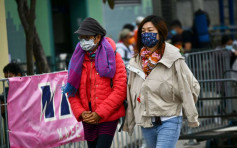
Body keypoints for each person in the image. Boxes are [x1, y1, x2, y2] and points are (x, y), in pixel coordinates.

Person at [122, 15, 200, 148]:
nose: (146, 34)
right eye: (143, 31)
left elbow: (191, 86)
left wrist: (188, 112)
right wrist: (131, 119)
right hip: (147, 121)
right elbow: (132, 92)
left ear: (160, 33)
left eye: (150, 30)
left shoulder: (173, 57)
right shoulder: (136, 61)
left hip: (169, 119)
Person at [65, 17, 127, 148]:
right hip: (88, 118)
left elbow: (120, 89)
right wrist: (81, 112)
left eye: (87, 37)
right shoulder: (77, 60)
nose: (83, 41)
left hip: (107, 116)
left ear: (98, 37)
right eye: (81, 37)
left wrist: (100, 113)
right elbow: (71, 91)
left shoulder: (114, 56)